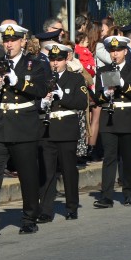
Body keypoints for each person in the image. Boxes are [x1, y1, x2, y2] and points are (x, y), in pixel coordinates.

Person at [0, 22, 49, 238]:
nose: (9, 44)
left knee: (27, 174)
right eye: (6, 40)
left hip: (24, 126)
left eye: (13, 40)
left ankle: (29, 218)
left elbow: (42, 89)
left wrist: (19, 83)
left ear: (23, 41)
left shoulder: (35, 65)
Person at [38, 43, 89, 221]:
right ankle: (45, 210)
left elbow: (82, 102)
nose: (55, 63)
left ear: (66, 59)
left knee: (68, 170)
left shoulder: (75, 79)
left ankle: (71, 207)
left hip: (67, 129)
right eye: (52, 59)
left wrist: (63, 96)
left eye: (58, 59)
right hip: (48, 129)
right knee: (47, 172)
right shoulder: (43, 78)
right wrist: (43, 103)